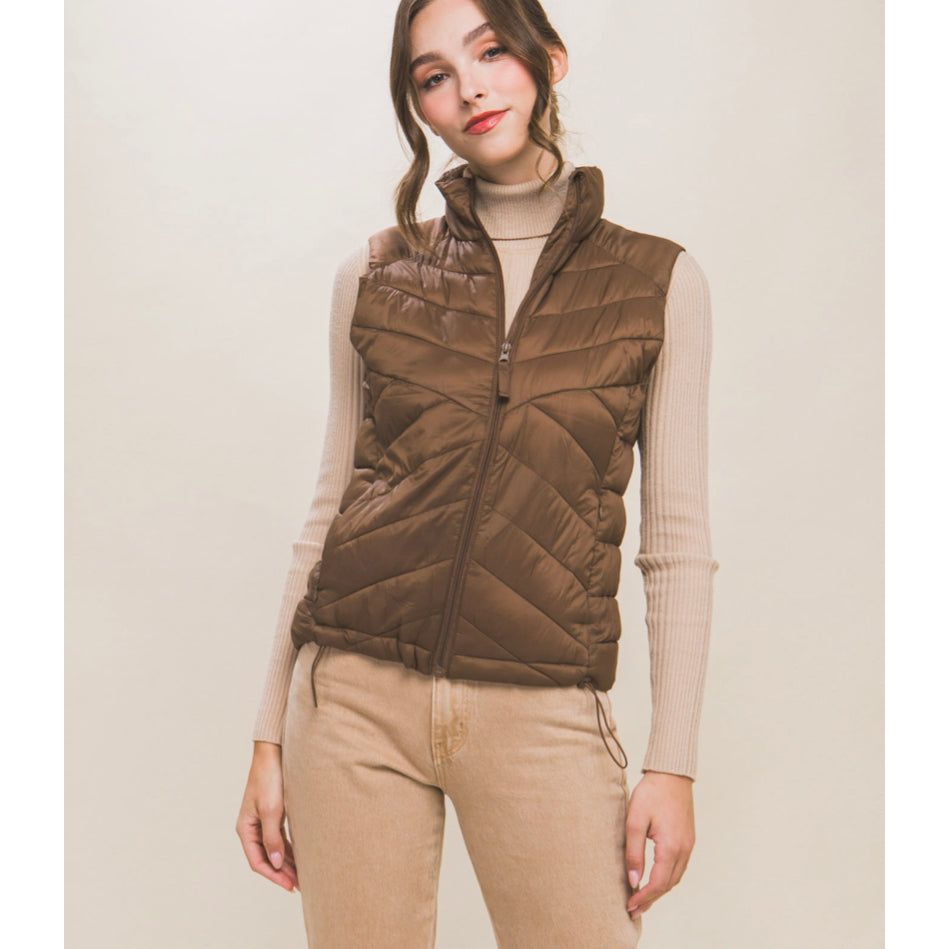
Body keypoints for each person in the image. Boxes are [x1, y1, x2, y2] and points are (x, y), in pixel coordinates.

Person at [236, 0, 719, 945]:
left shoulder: (657, 282)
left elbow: (676, 546)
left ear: (548, 58)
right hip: (351, 708)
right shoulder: (376, 274)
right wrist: (267, 734)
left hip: (540, 713)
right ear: (418, 105)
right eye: (433, 75)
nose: (469, 88)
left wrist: (673, 763)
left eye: (491, 51)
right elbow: (329, 508)